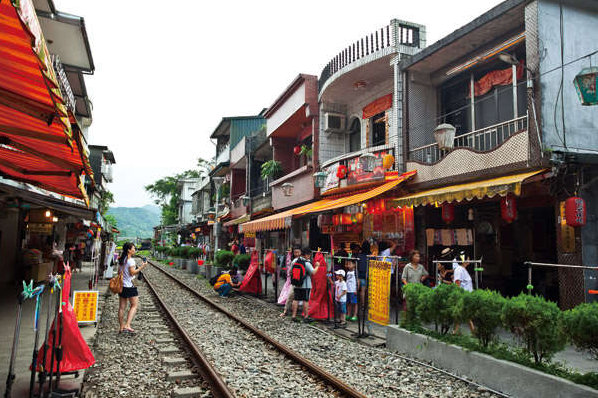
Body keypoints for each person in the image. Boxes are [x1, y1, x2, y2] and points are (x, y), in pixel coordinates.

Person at [117, 242, 148, 334]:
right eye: (133, 248)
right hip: (129, 286)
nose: (134, 250)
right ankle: (127, 325)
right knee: (134, 305)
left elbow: (119, 272)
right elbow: (132, 273)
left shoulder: (121, 260)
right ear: (129, 250)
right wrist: (142, 266)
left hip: (122, 285)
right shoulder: (131, 261)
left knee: (122, 307)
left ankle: (121, 327)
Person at [291, 247, 320, 322]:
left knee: (295, 299)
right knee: (305, 300)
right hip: (306, 285)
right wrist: (317, 266)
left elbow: (291, 271)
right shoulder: (307, 263)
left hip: (296, 283)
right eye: (309, 255)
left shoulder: (295, 261)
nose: (309, 256)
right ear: (306, 255)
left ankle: (293, 316)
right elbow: (313, 272)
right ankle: (306, 317)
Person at [453, 257, 475, 334]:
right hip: (463, 296)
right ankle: (473, 332)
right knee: (464, 314)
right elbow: (457, 282)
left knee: (464, 314)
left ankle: (455, 332)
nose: (469, 260)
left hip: (466, 296)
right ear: (464, 260)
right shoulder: (459, 269)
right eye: (468, 259)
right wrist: (459, 296)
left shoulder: (462, 269)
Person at [280, 247, 301, 318]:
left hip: (298, 282)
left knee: (293, 297)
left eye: (298, 252)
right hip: (295, 281)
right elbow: (290, 271)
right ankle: (286, 311)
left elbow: (290, 272)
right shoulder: (294, 261)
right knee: (291, 296)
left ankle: (291, 313)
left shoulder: (302, 260)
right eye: (295, 252)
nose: (297, 254)